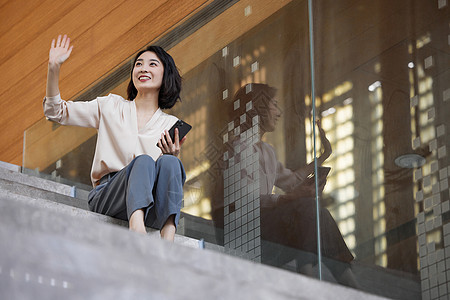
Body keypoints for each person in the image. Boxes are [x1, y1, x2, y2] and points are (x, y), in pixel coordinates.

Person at [43, 34, 186, 241]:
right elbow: (56, 112)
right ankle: (138, 235)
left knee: (171, 163)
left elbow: (168, 180)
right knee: (144, 161)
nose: (143, 68)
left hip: (150, 207)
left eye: (152, 64)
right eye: (139, 64)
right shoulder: (110, 106)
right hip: (109, 196)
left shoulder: (170, 125)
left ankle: (168, 237)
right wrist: (53, 67)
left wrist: (172, 155)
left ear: (166, 74)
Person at [217, 83, 359, 287]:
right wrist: (291, 198)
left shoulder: (267, 151)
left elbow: (289, 180)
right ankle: (310, 275)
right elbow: (245, 201)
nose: (279, 112)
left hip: (264, 227)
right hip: (244, 232)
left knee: (320, 213)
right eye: (274, 105)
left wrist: (322, 157)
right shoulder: (237, 150)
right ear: (258, 109)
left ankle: (343, 281)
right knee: (308, 208)